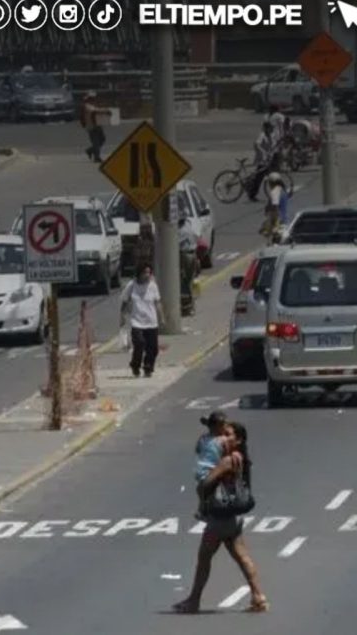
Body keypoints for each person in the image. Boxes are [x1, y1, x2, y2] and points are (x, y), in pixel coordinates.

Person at [174, 421, 268, 614]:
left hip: (219, 521)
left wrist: (203, 481)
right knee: (242, 557)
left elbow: (207, 484)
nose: (222, 438)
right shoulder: (239, 457)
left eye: (228, 435)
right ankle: (258, 596)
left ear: (238, 439)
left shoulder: (227, 461)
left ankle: (194, 601)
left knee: (204, 558)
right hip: (232, 517)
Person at [119, 263, 163, 378]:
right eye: (145, 272)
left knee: (153, 348)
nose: (147, 275)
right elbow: (124, 301)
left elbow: (157, 302)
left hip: (151, 322)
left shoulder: (153, 286)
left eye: (149, 272)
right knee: (139, 344)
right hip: (137, 322)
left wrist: (161, 317)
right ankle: (135, 365)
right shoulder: (131, 285)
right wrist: (122, 316)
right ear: (139, 273)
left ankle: (148, 367)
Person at [80, 91, 112, 163]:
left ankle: (90, 150)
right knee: (96, 142)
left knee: (102, 139)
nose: (94, 99)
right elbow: (94, 110)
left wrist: (105, 110)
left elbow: (97, 109)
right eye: (92, 97)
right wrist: (106, 110)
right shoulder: (86, 105)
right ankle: (97, 157)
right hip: (91, 126)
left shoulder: (92, 104)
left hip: (97, 124)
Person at [249, 122, 277, 202]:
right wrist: (263, 152)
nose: (272, 129)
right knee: (259, 178)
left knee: (264, 176)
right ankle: (252, 194)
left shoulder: (271, 136)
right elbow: (256, 144)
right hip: (261, 160)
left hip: (267, 160)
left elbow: (272, 146)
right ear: (266, 128)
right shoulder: (262, 135)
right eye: (270, 128)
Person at [178, 218, 199, 316]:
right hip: (193, 254)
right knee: (190, 281)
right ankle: (190, 307)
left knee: (184, 281)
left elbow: (175, 244)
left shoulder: (182, 230)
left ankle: (187, 307)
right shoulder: (189, 225)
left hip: (186, 255)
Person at [260, 172, 286, 240]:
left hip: (278, 219)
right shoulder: (282, 190)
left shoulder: (275, 192)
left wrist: (272, 221)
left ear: (271, 183)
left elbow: (275, 207)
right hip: (284, 218)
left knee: (269, 234)